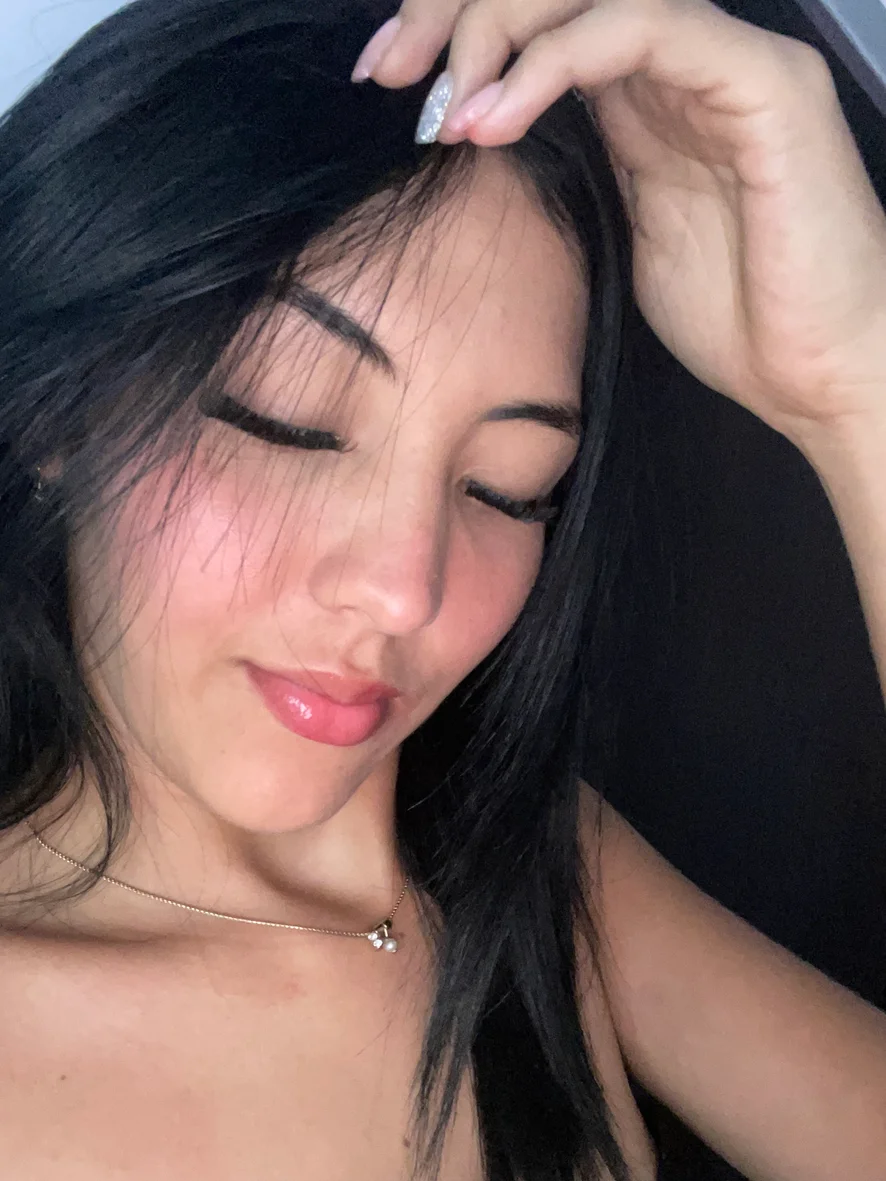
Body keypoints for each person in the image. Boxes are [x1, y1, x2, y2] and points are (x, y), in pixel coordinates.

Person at [0, 0, 883, 1178]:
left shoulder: (533, 862)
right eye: (289, 422)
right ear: (56, 410)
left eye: (508, 489)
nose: (402, 592)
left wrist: (857, 381)